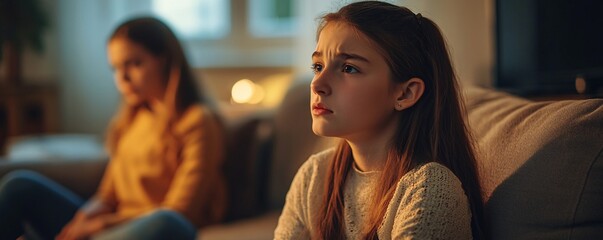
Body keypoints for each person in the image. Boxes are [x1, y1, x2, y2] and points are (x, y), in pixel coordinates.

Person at [0, 17, 227, 240]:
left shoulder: (197, 121)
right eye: (115, 68)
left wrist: (99, 226)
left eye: (135, 64)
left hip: (149, 229)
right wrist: (83, 218)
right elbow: (107, 195)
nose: (122, 78)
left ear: (165, 60)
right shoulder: (130, 120)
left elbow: (180, 211)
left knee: (168, 223)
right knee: (19, 185)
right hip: (112, 227)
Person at [274, 1, 485, 239]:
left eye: (348, 68)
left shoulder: (430, 188)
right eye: (318, 66)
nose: (317, 84)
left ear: (405, 93)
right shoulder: (314, 176)